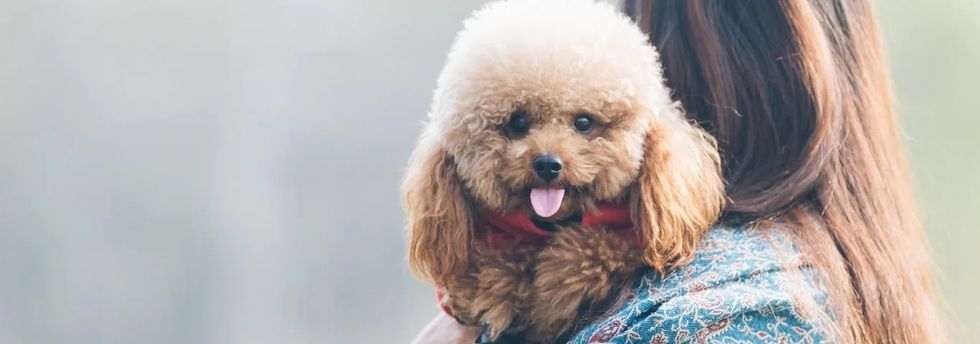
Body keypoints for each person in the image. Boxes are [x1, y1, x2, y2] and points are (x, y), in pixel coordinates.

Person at [413, 0, 945, 342]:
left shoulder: (722, 313)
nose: (549, 156)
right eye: (516, 126)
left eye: (584, 123)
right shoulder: (838, 282)